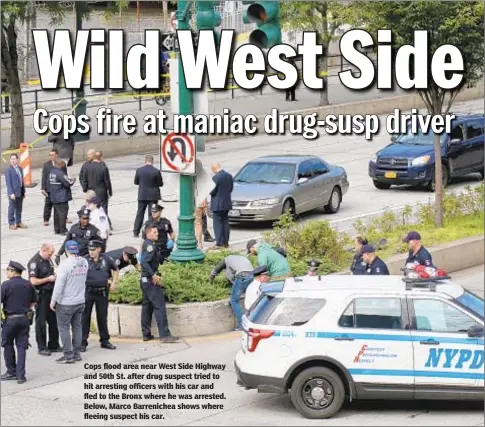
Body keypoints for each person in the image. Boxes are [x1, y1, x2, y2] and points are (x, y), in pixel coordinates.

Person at [50, 241, 88, 364]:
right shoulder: (84, 262)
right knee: (77, 327)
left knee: (64, 328)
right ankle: (77, 353)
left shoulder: (64, 265)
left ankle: (68, 355)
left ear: (66, 251)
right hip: (80, 300)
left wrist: (53, 301)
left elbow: (59, 285)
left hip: (66, 302)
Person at [140, 224, 179, 343]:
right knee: (159, 306)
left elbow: (160, 259)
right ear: (148, 233)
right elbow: (144, 263)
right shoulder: (149, 246)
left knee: (147, 307)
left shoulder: (151, 245)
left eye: (157, 232)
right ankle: (164, 335)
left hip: (145, 281)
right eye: (154, 232)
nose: (157, 234)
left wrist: (168, 248)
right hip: (150, 281)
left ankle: (146, 334)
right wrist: (153, 275)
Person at [1, 261, 37, 384]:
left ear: (12, 271)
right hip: (24, 319)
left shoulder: (5, 285)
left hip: (10, 320)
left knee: (8, 344)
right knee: (22, 347)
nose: (7, 272)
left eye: (8, 270)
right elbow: (33, 302)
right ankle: (21, 375)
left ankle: (11, 371)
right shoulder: (28, 284)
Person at [81, 240, 118, 352]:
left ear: (99, 249)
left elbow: (115, 269)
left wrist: (114, 282)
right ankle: (82, 342)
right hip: (88, 291)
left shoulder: (106, 259)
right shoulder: (85, 260)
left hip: (102, 292)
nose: (91, 252)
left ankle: (105, 340)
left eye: (93, 250)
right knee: (85, 317)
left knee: (102, 316)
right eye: (89, 249)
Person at [28, 244, 62, 356]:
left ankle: (54, 344)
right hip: (41, 296)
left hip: (51, 294)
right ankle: (42, 347)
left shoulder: (48, 260)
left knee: (53, 321)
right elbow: (33, 281)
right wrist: (48, 279)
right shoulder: (35, 262)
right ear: (43, 250)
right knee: (41, 322)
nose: (51, 256)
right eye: (49, 253)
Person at [209, 254, 254, 331]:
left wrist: (211, 280)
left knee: (234, 300)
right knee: (250, 298)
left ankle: (242, 325)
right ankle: (253, 321)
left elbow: (217, 270)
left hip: (241, 276)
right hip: (252, 275)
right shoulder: (241, 257)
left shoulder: (226, 260)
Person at [133, 155, 164, 237]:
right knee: (152, 214)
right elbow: (160, 184)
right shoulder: (156, 171)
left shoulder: (139, 170)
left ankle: (136, 231)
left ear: (145, 161)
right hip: (153, 196)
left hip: (142, 194)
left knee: (140, 213)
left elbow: (136, 182)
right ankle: (150, 230)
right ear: (152, 161)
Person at [79, 151, 113, 223]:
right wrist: (109, 191)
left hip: (91, 191)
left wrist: (85, 189)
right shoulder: (103, 167)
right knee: (103, 209)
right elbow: (107, 181)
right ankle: (104, 224)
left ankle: (93, 223)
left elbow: (83, 178)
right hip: (101, 191)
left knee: (91, 208)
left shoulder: (87, 166)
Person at [41, 149, 70, 227]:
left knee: (61, 204)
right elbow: (44, 177)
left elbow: (65, 175)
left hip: (59, 189)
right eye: (50, 155)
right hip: (50, 188)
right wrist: (43, 188)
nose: (51, 156)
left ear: (57, 155)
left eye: (52, 155)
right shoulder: (46, 164)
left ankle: (64, 218)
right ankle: (46, 219)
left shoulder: (61, 164)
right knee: (48, 204)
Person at [47, 160, 76, 235]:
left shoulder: (52, 172)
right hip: (61, 197)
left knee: (56, 214)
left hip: (54, 196)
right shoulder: (60, 173)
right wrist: (73, 181)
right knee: (63, 214)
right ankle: (63, 230)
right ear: (61, 165)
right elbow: (67, 183)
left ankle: (57, 229)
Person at [210, 163, 234, 248]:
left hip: (217, 204)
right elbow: (231, 188)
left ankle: (219, 242)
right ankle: (226, 242)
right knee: (225, 222)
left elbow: (212, 191)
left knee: (217, 223)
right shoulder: (229, 176)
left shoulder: (216, 177)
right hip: (227, 202)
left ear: (214, 168)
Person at [194, 159, 215, 249]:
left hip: (197, 202)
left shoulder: (193, 175)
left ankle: (199, 243)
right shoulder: (203, 175)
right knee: (202, 221)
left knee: (198, 223)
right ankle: (205, 237)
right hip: (204, 201)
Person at [5, 153, 27, 230]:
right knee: (12, 208)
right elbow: (8, 183)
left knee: (19, 208)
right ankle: (11, 223)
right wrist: (11, 193)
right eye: (11, 159)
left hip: (20, 191)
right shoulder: (8, 170)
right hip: (13, 193)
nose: (13, 160)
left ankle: (18, 222)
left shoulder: (20, 168)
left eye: (14, 159)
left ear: (17, 160)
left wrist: (23, 191)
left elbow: (22, 181)